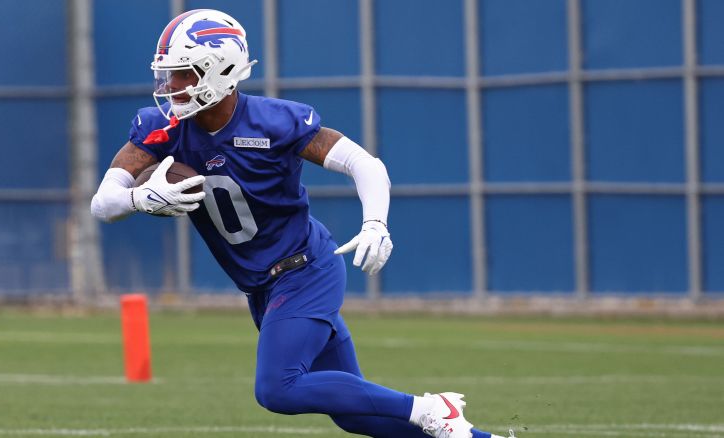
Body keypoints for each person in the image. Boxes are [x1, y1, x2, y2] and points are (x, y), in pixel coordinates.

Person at [91, 9, 514, 438]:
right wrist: (136, 198)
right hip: (262, 285)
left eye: (184, 73)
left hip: (304, 270)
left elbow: (362, 163)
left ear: (221, 70)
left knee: (279, 389)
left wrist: (375, 224)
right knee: (358, 416)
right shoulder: (159, 127)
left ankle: (430, 407)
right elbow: (103, 204)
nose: (172, 87)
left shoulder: (274, 122)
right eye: (168, 75)